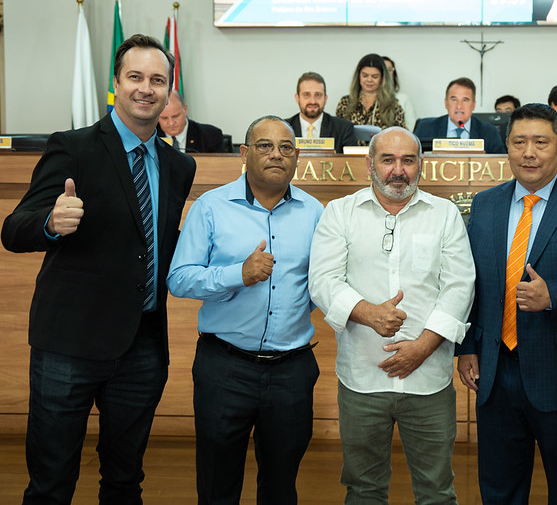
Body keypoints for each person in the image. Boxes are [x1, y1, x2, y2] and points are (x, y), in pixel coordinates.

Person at [1, 34, 196, 504]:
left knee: (125, 482)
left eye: (157, 80)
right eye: (135, 77)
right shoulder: (72, 147)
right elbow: (13, 229)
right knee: (51, 484)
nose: (146, 88)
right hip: (69, 344)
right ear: (116, 83)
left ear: (169, 90)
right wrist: (50, 223)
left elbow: (157, 246)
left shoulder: (179, 165)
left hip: (143, 346)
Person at [456, 103, 557, 504]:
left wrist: (554, 296)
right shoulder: (486, 204)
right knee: (499, 488)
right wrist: (468, 347)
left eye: (540, 142)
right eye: (519, 142)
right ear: (507, 147)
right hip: (495, 373)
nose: (528, 152)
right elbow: (470, 282)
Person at [308, 126, 475, 503]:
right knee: (364, 490)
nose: (398, 170)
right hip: (362, 378)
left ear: (420, 165)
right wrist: (369, 313)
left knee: (437, 492)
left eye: (407, 160)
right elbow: (322, 280)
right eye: (388, 160)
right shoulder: (340, 213)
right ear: (370, 164)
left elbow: (459, 285)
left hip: (428, 379)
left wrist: (423, 347)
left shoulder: (444, 214)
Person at [167, 115, 323, 504]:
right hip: (225, 368)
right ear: (244, 153)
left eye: (286, 147)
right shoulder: (211, 207)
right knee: (218, 486)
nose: (276, 154)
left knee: (281, 487)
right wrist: (238, 274)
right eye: (265, 146)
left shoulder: (315, 212)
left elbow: (323, 284)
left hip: (291, 371)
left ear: (297, 157)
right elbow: (180, 278)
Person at [414, 77, 505, 154]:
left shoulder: (489, 132)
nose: (459, 106)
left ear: (473, 105)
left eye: (465, 100)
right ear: (446, 103)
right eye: (454, 99)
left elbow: (501, 165)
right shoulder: (425, 128)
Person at [286, 71, 358, 152]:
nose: (313, 101)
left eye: (318, 95)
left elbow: (352, 159)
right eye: (307, 95)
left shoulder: (343, 128)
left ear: (325, 98)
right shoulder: (284, 129)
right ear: (297, 98)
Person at [335, 53, 406, 130]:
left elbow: (400, 133)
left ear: (382, 78)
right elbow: (337, 131)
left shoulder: (393, 104)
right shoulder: (345, 102)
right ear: (358, 76)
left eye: (375, 77)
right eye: (365, 76)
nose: (369, 80)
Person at [157, 90, 226, 152]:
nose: (171, 123)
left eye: (175, 116)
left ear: (185, 110)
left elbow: (219, 162)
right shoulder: (151, 135)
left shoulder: (210, 136)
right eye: (164, 118)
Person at [382, 55, 417, 130]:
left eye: (389, 69)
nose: (386, 73)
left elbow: (412, 127)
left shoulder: (403, 98)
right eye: (383, 69)